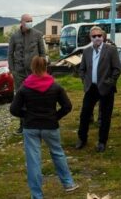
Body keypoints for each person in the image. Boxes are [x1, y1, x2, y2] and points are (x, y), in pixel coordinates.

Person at [10, 56, 78, 198]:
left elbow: (14, 109)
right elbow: (67, 106)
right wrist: (55, 116)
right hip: (50, 125)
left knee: (33, 161)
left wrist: (26, 115)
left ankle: (37, 195)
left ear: (32, 68)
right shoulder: (55, 86)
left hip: (31, 126)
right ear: (47, 67)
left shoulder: (25, 87)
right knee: (58, 153)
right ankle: (68, 183)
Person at [75, 26, 121, 152]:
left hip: (106, 88)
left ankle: (102, 141)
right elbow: (82, 69)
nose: (97, 38)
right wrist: (85, 81)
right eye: (94, 36)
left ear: (103, 37)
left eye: (99, 36)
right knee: (84, 114)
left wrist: (110, 82)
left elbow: (117, 69)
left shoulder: (111, 50)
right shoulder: (87, 51)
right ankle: (82, 138)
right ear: (90, 38)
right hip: (91, 87)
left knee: (105, 116)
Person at [8, 14, 46, 134]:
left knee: (36, 97)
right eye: (28, 21)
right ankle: (22, 124)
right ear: (22, 22)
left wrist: (42, 69)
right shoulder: (14, 36)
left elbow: (42, 53)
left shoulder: (38, 34)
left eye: (31, 21)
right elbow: (10, 54)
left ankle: (37, 122)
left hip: (34, 72)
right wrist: (12, 70)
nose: (30, 22)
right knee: (21, 98)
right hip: (19, 73)